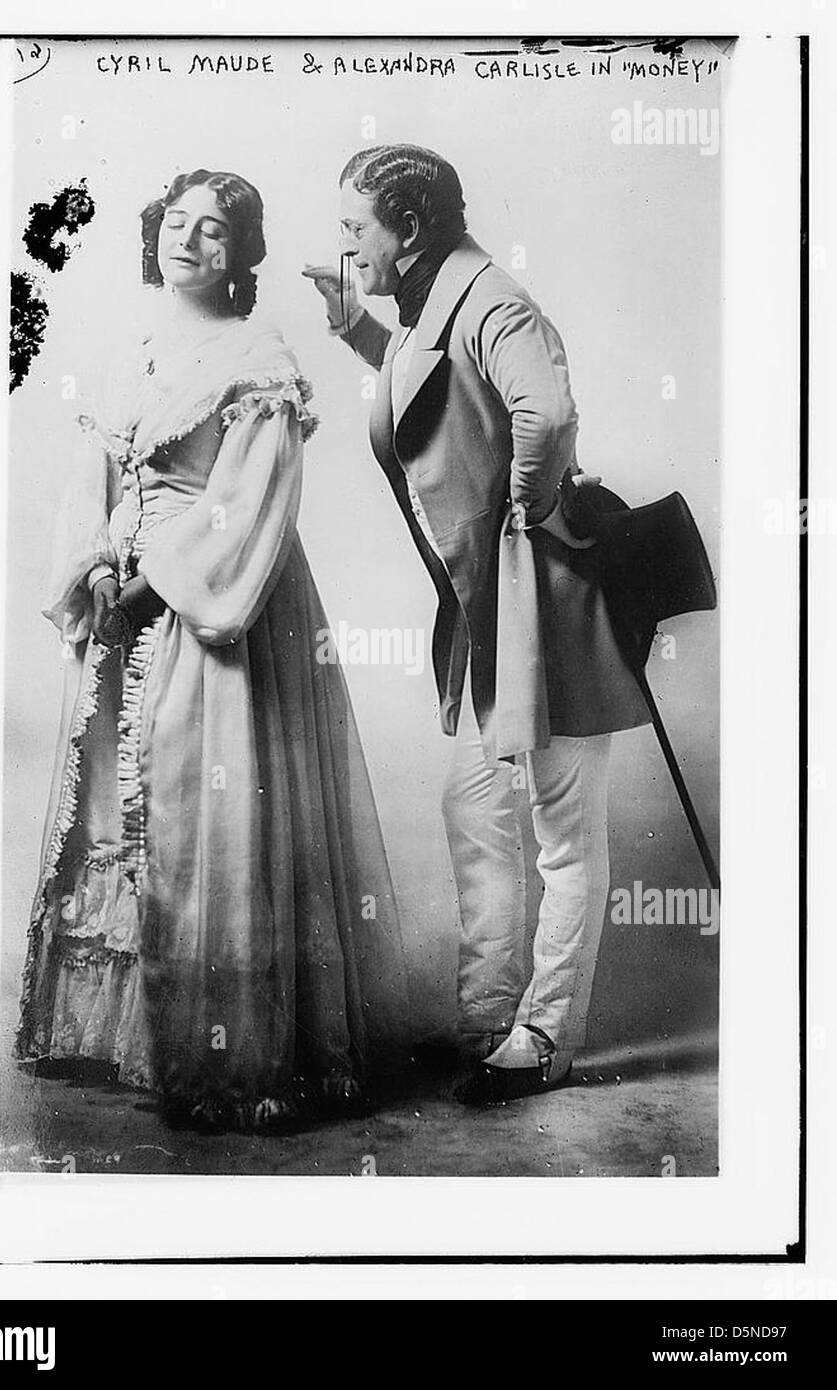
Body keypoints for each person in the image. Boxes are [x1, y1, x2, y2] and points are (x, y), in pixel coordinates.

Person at [16, 168, 409, 1133]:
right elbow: (103, 476)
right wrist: (103, 566)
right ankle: (125, 1037)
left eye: (217, 231)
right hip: (129, 599)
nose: (192, 243)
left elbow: (250, 498)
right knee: (115, 801)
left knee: (211, 806)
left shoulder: (258, 355)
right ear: (153, 236)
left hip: (218, 595)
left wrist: (158, 580)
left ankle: (232, 1054)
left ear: (244, 254)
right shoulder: (134, 349)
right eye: (178, 226)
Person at [304, 144, 650, 1104]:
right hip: (486, 610)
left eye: (352, 229)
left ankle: (542, 1038)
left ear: (407, 229)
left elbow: (544, 409)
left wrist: (526, 511)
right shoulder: (434, 307)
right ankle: (487, 1017)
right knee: (475, 809)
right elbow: (432, 388)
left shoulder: (492, 299)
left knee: (562, 830)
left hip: (551, 606)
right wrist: (355, 335)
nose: (343, 246)